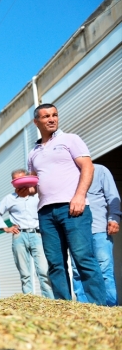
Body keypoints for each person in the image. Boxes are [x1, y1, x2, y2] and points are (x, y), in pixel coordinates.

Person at [27, 103, 106, 305]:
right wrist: (27, 189)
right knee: (55, 263)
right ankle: (64, 308)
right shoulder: (33, 152)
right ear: (36, 122)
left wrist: (80, 196)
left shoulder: (70, 139)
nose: (51, 119)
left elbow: (87, 167)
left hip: (72, 207)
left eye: (54, 115)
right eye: (46, 116)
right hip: (45, 212)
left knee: (83, 259)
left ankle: (101, 308)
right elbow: (34, 183)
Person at [0, 169, 52, 298]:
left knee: (43, 270)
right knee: (24, 273)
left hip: (38, 235)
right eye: (16, 180)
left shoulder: (38, 195)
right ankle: (29, 301)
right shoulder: (9, 198)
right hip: (19, 236)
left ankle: (50, 301)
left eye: (22, 179)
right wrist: (6, 228)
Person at [71, 164, 120, 306]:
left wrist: (114, 218)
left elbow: (113, 197)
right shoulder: (66, 171)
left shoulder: (100, 170)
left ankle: (110, 309)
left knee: (104, 269)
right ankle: (83, 312)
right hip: (76, 231)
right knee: (78, 271)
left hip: (99, 228)